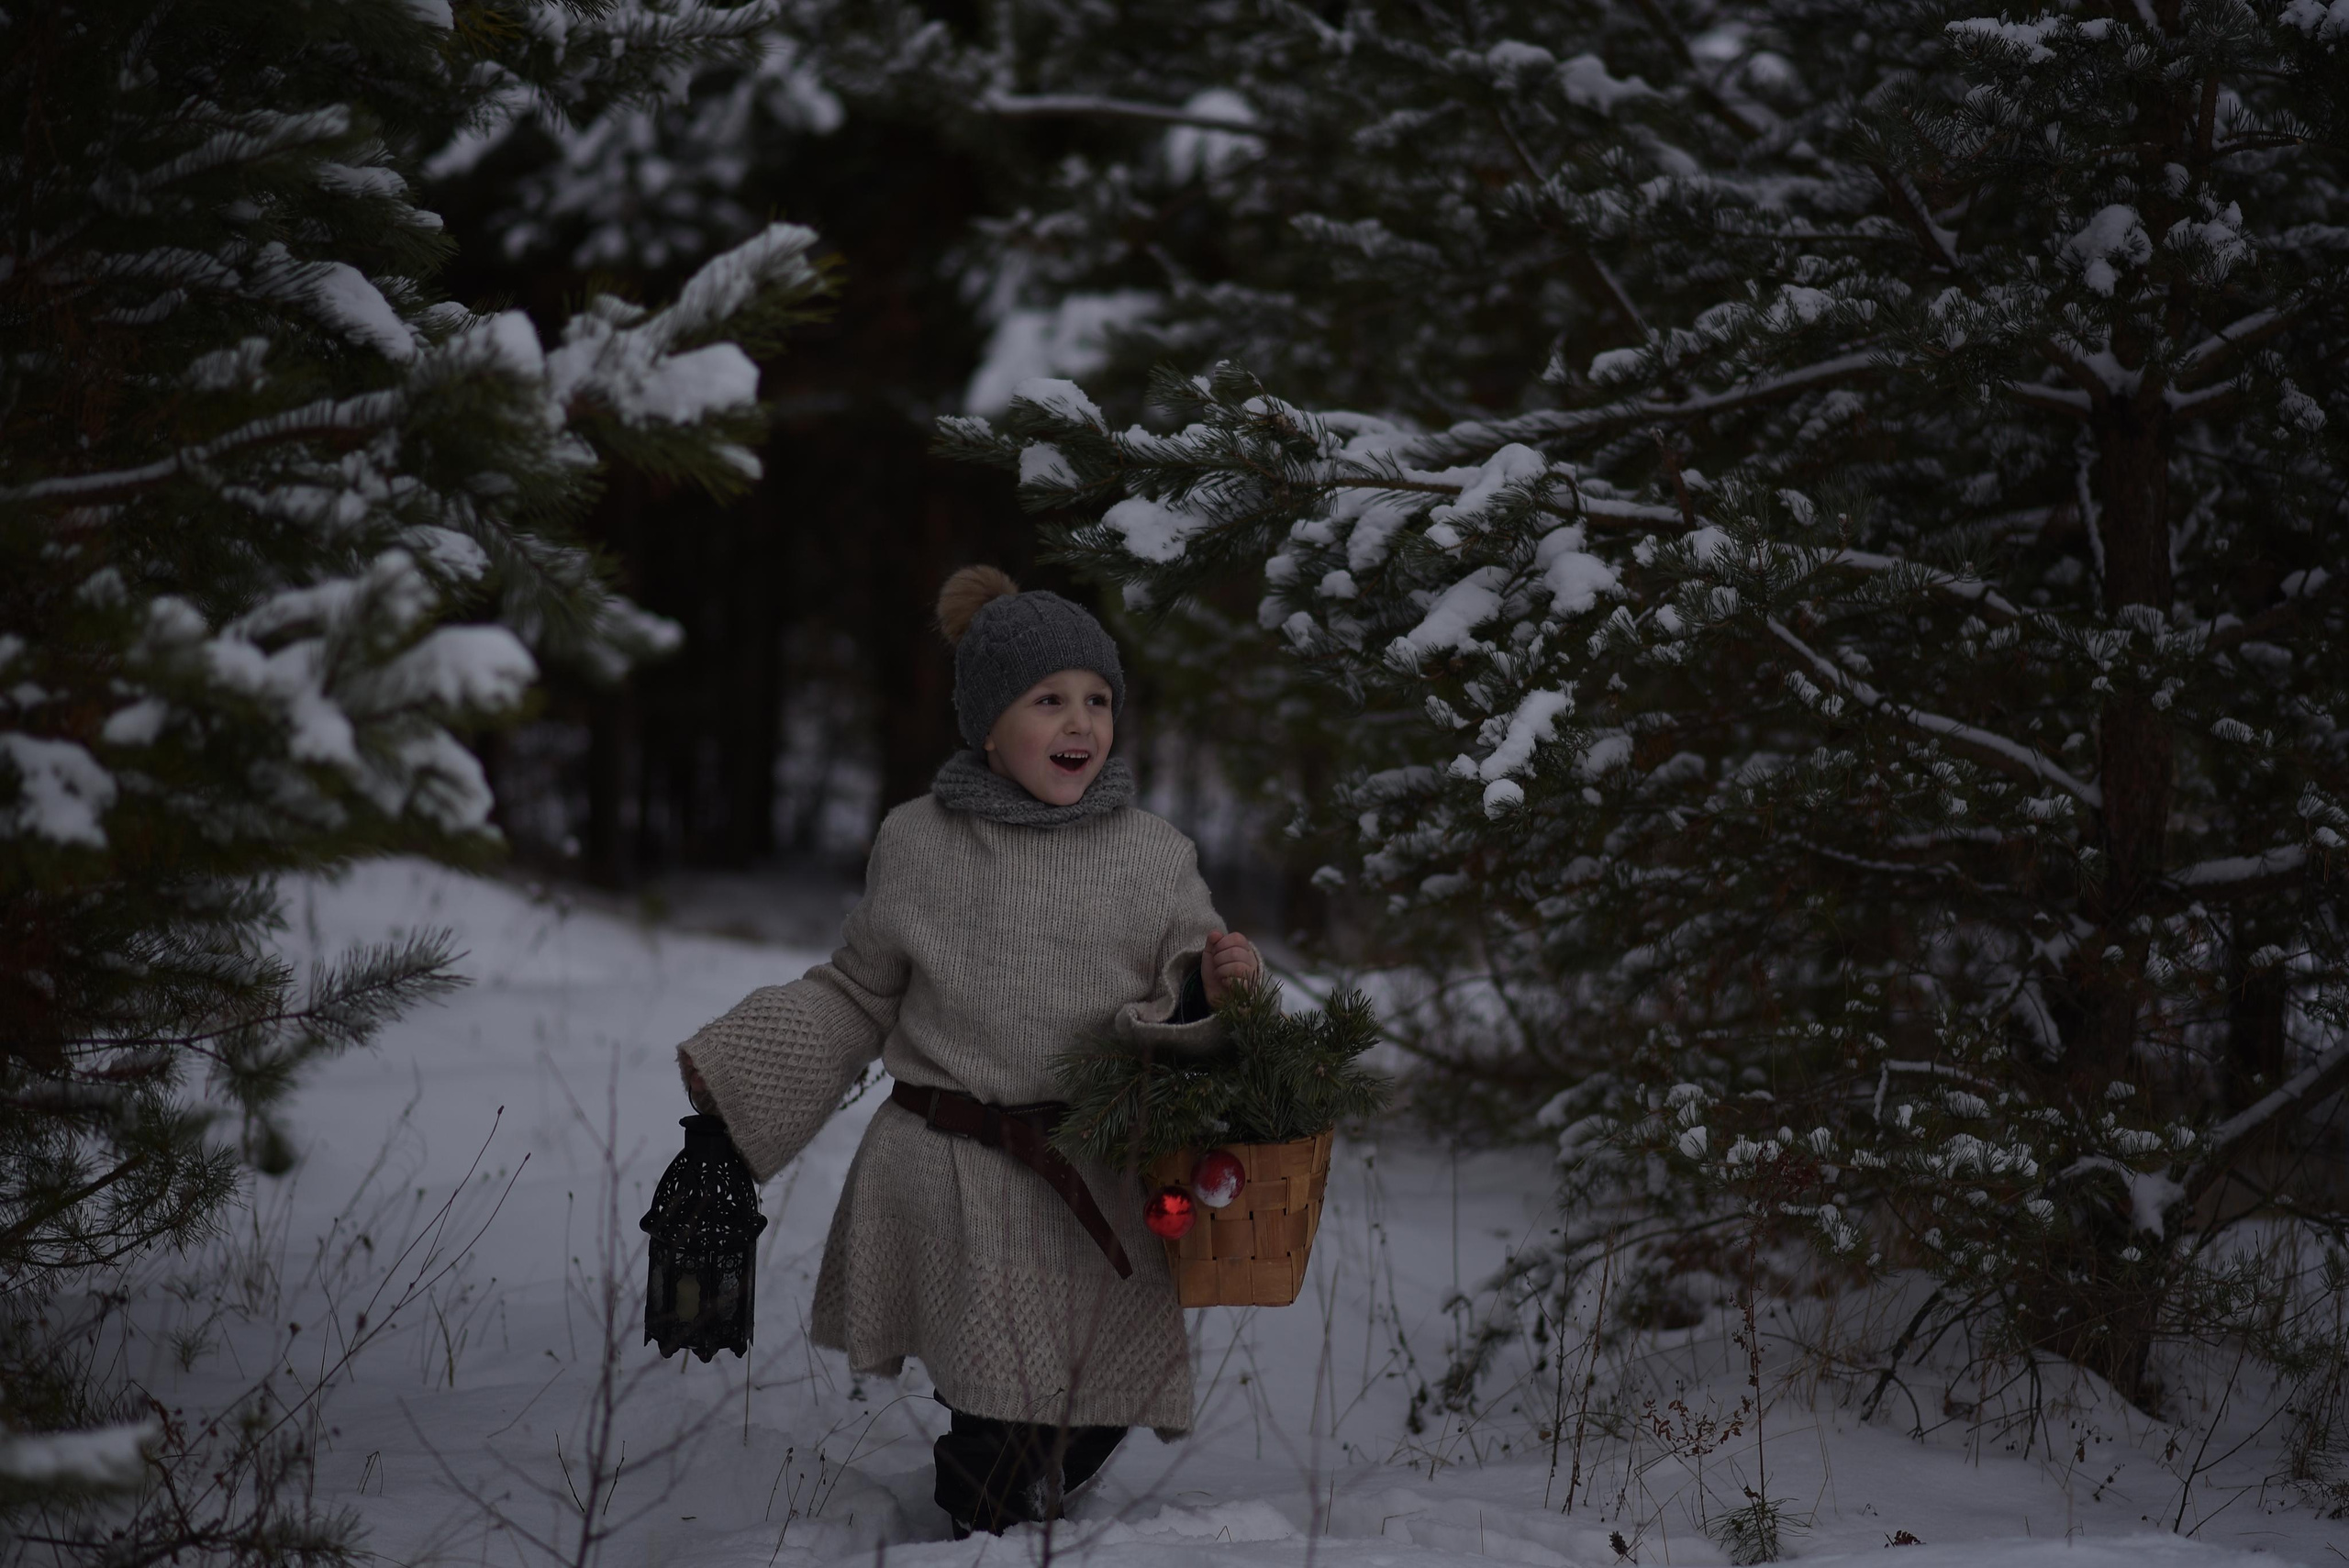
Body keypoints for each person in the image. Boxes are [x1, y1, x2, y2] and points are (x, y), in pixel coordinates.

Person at [674, 565, 1261, 1538]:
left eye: (1097, 699)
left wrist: (1226, 980)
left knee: (1092, 1397)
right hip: (954, 1168)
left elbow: (1188, 965)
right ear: (988, 726)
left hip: (1095, 1170)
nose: (1079, 722)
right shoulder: (919, 841)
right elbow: (859, 987)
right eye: (1047, 700)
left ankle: (1037, 1483)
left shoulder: (1154, 853)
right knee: (993, 1411)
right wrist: (739, 1066)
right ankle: (976, 1518)